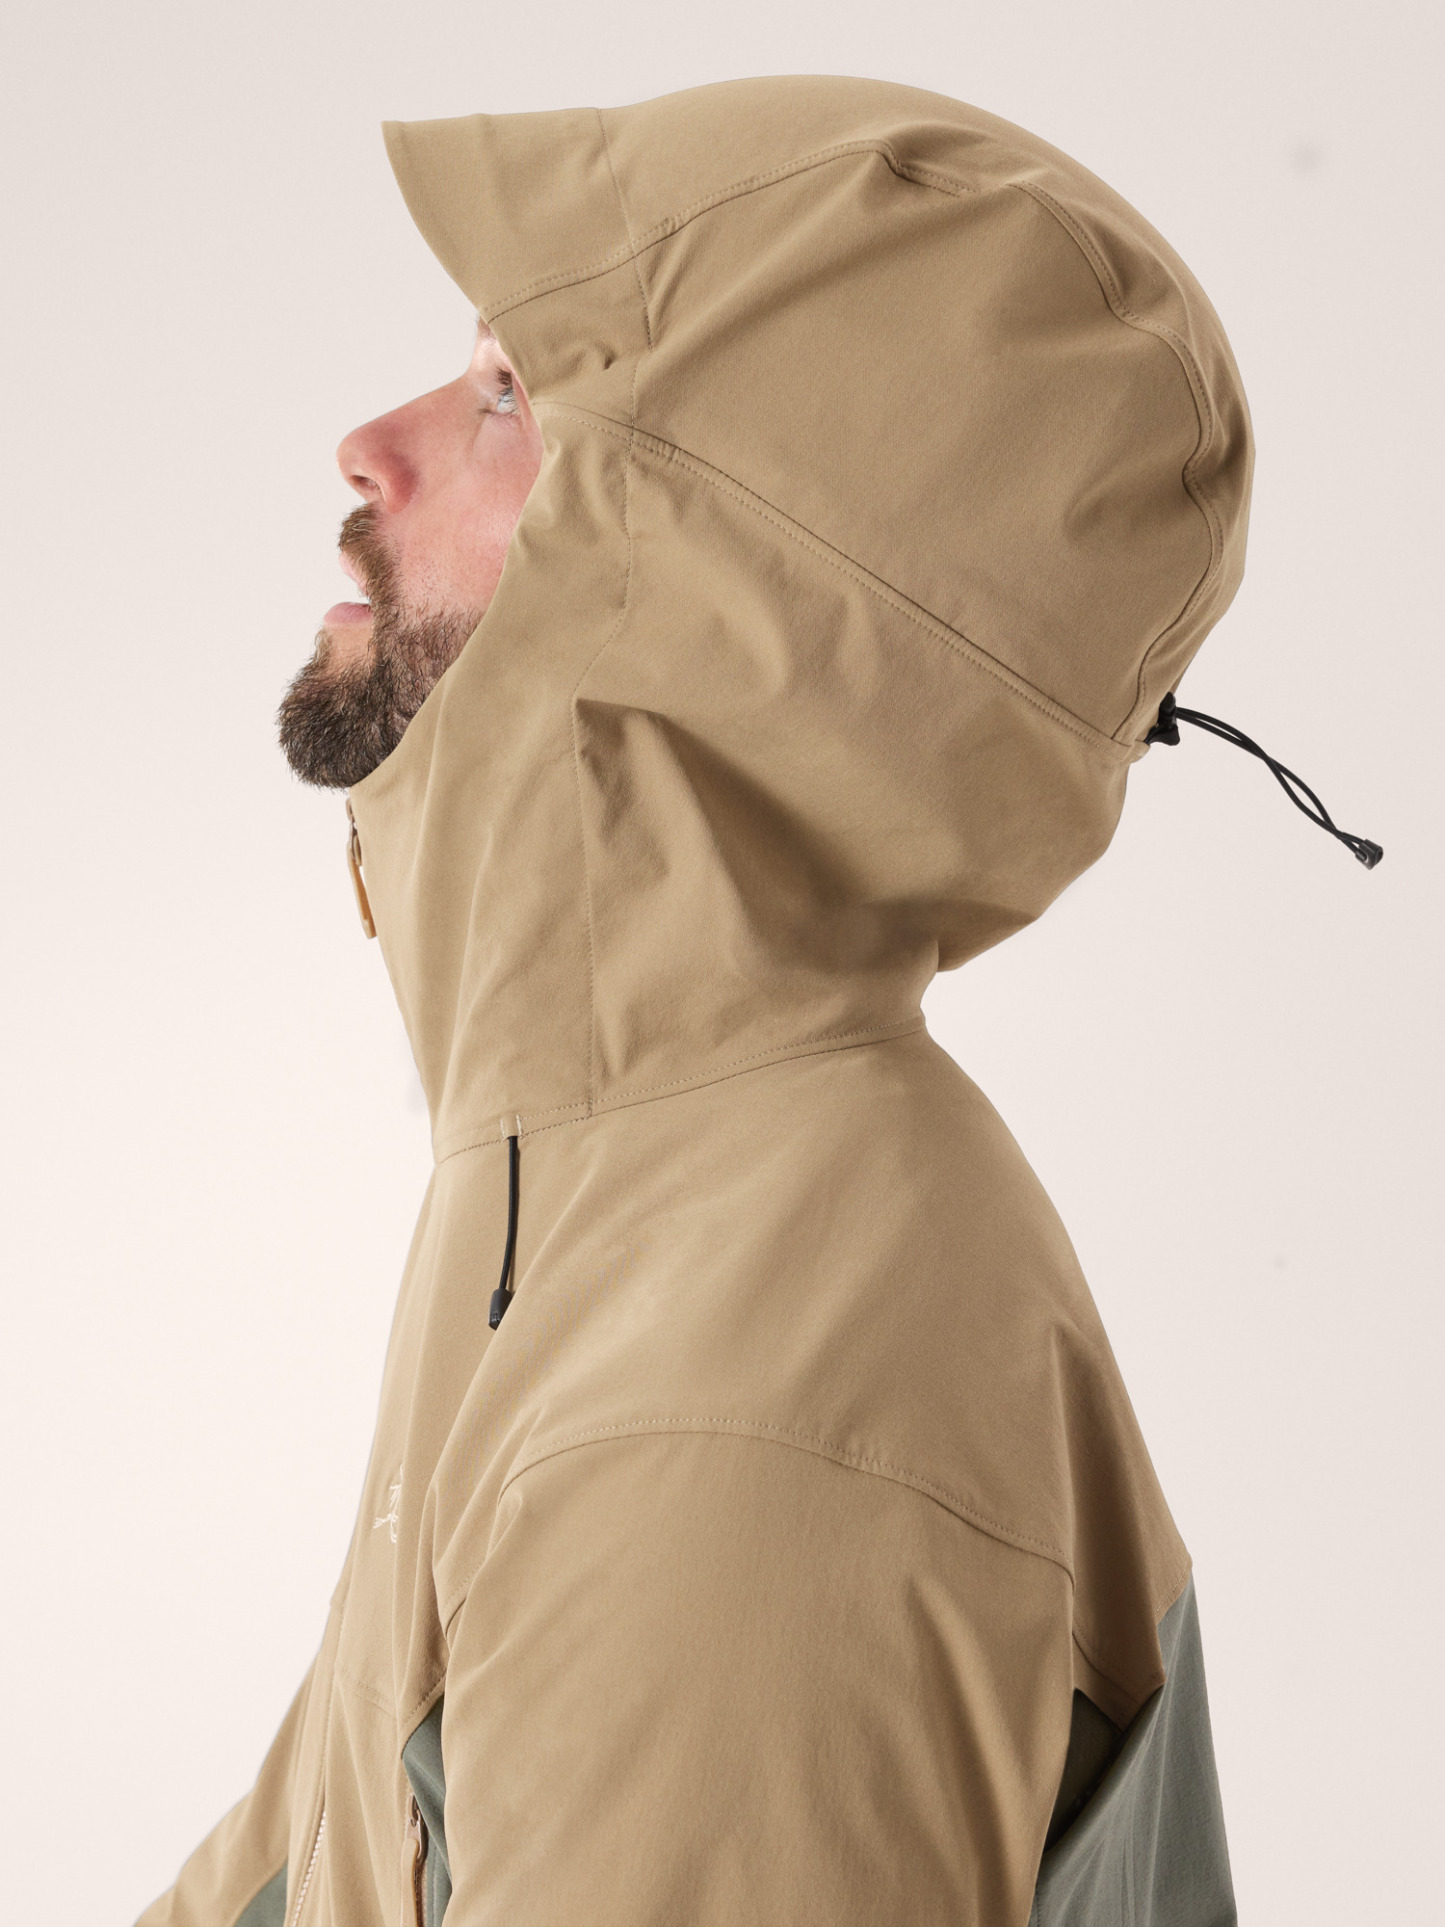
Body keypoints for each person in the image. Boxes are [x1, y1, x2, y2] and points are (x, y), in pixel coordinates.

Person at [142, 75, 1251, 1927]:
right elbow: (321, 1850)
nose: (368, 447)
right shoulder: (624, 1179)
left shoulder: (734, 1406)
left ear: (728, 590)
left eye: (510, 396)